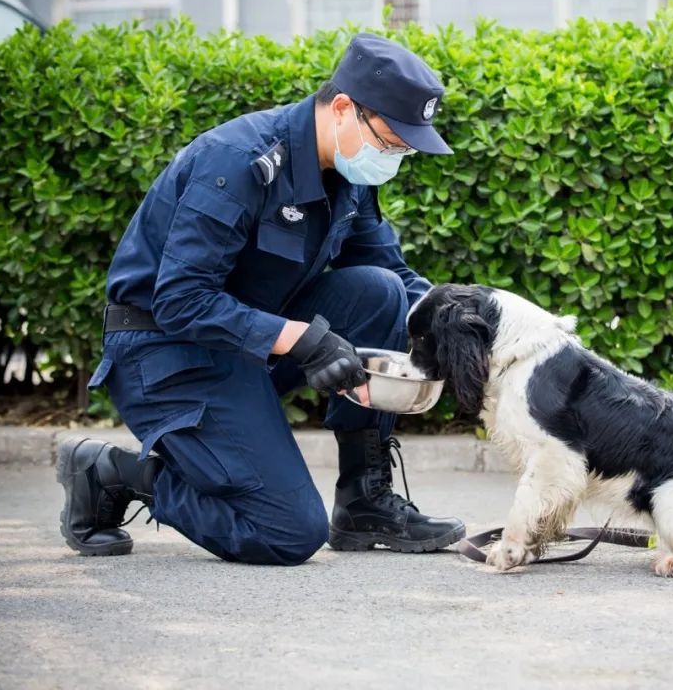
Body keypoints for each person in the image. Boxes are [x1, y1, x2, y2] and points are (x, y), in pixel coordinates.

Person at [56, 33, 466, 565]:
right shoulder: (236, 162)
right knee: (287, 532)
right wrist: (303, 340)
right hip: (163, 350)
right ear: (343, 108)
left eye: (404, 149)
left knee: (382, 293)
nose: (395, 156)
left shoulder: (347, 172)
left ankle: (365, 502)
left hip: (244, 345)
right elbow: (180, 300)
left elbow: (389, 269)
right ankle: (115, 472)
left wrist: (462, 321)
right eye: (391, 142)